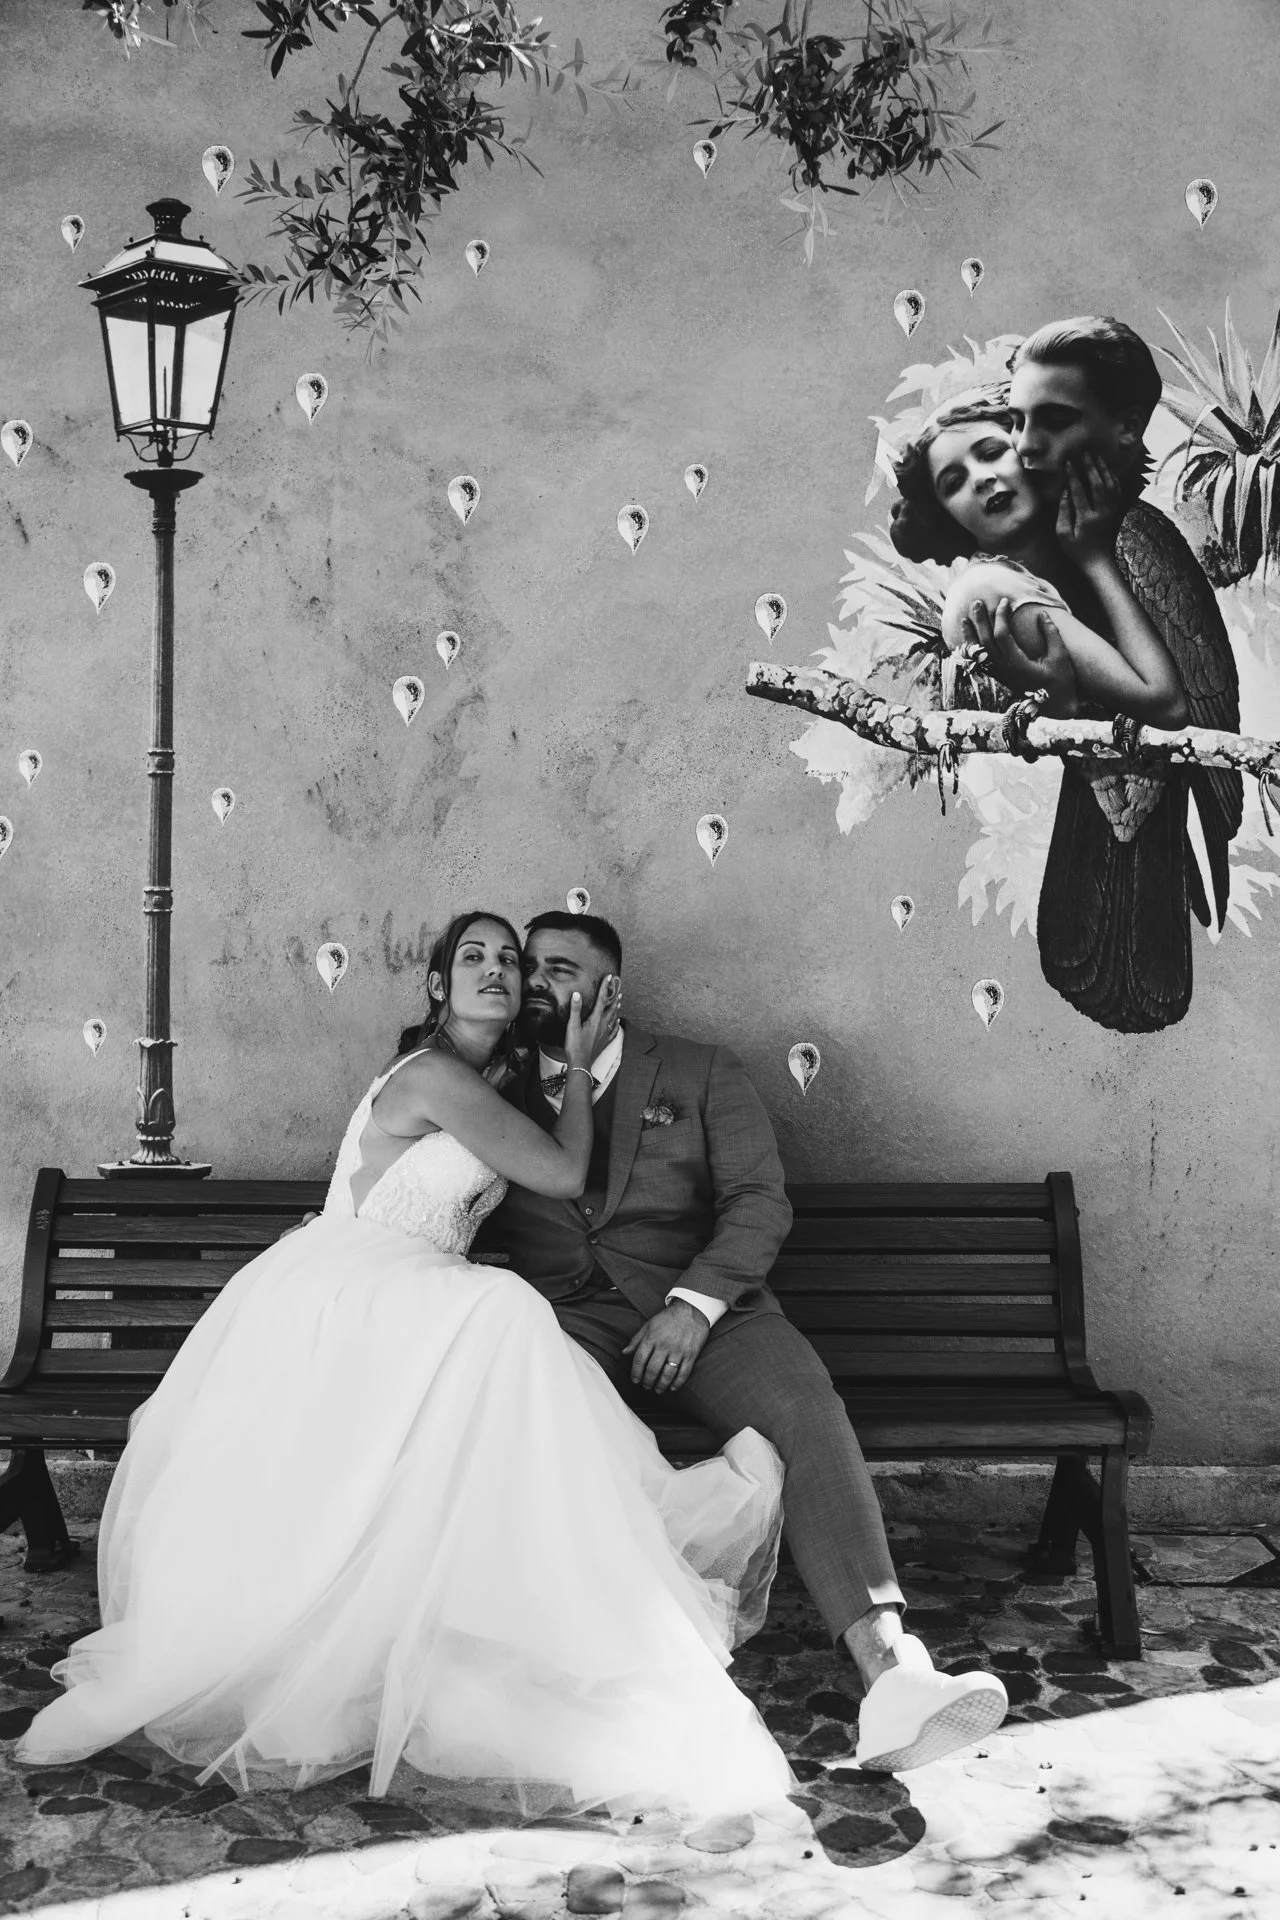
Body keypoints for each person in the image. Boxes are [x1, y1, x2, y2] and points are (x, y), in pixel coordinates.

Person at [16, 911, 799, 1821]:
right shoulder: (434, 1076)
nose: (497, 970)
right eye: (473, 957)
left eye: (509, 960)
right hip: (362, 1293)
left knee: (494, 1345)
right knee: (503, 1317)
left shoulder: (487, 1081)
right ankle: (558, 1594)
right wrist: (582, 1066)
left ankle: (489, 1607)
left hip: (402, 1289)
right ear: (436, 985)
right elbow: (558, 1175)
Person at [472, 910, 1011, 1774]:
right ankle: (568, 1678)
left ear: (612, 991)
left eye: (560, 969)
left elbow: (759, 1200)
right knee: (537, 1432)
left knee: (805, 1409)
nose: (536, 982)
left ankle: (893, 1675)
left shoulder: (699, 1071)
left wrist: (692, 1306)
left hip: (705, 1310)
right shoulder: (490, 1082)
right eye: (529, 965)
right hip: (563, 1319)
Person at [889, 320, 1242, 1032]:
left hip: (1162, 756)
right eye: (1017, 423)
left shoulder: (1135, 534)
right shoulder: (1013, 560)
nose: (1021, 450)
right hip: (1093, 761)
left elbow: (1176, 703)